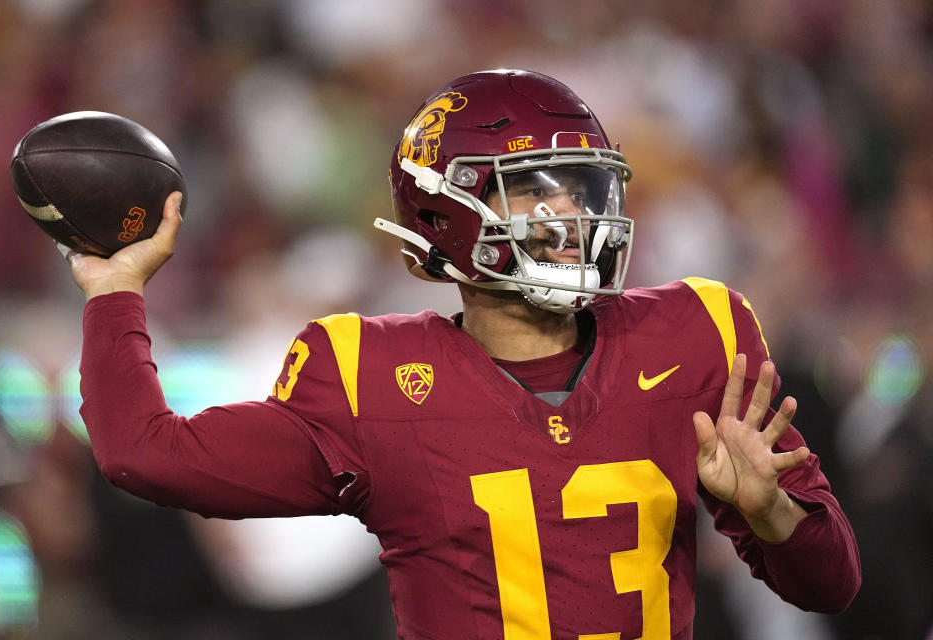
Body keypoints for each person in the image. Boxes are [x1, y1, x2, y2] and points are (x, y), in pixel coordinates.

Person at [62, 70, 860, 639]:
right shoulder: (366, 377)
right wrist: (114, 293)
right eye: (536, 189)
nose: (570, 215)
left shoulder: (697, 333)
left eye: (581, 189)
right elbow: (142, 452)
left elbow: (833, 587)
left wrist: (772, 512)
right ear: (447, 214)